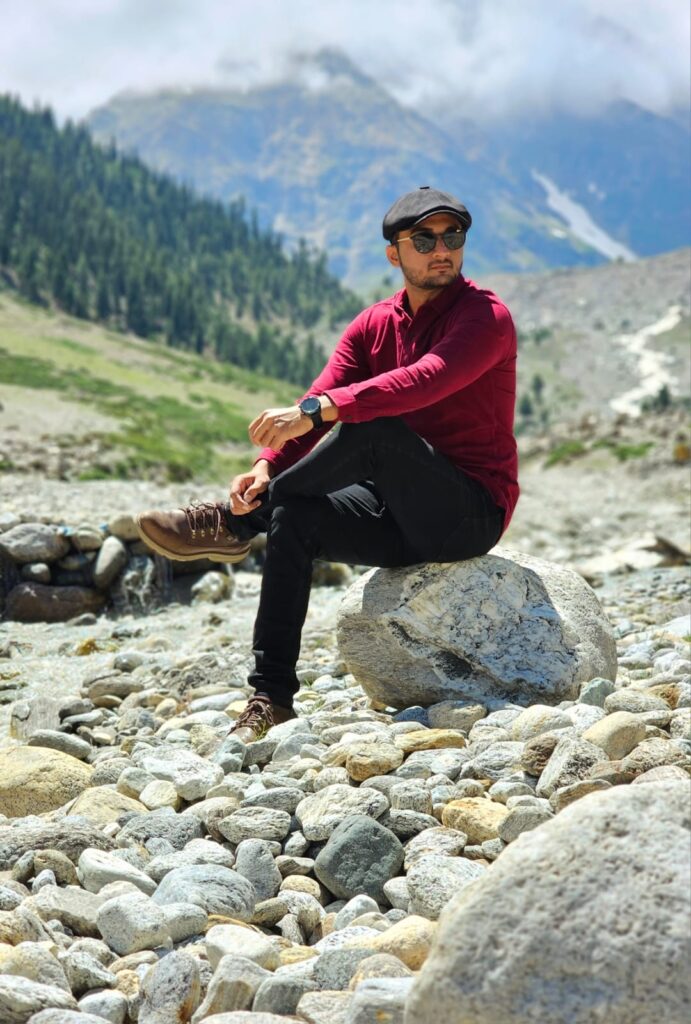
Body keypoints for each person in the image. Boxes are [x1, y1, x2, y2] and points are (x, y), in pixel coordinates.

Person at [137, 186, 519, 742]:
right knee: (294, 511)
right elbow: (317, 399)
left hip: (468, 515)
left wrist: (319, 410)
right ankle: (271, 698)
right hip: (397, 519)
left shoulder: (485, 317)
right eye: (424, 239)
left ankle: (235, 524)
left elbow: (422, 381)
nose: (442, 249)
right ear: (395, 253)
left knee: (375, 428)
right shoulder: (372, 326)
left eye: (453, 236)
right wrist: (266, 467)